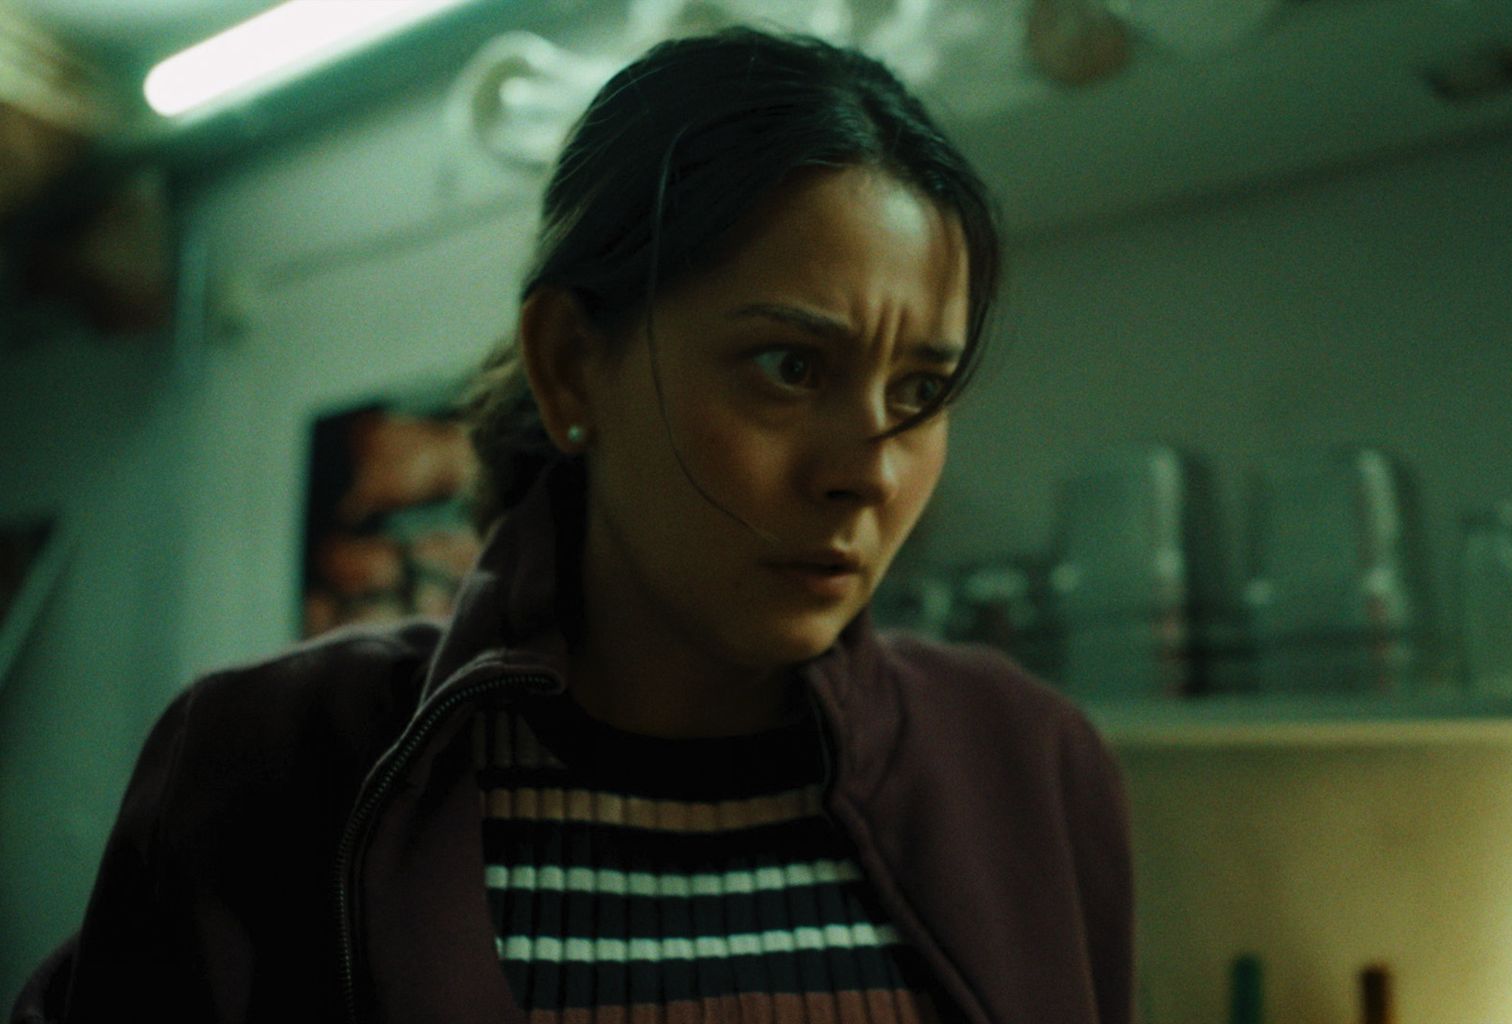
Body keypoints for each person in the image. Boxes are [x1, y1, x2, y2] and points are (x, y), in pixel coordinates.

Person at [12, 27, 1132, 1024]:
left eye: (920, 392)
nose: (868, 472)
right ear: (569, 365)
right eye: (789, 367)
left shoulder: (1026, 768)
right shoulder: (271, 768)